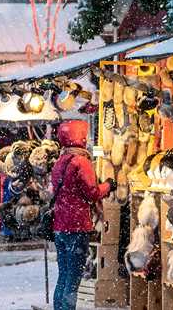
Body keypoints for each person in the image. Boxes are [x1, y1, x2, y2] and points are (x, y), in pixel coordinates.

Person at [52, 120, 117, 310]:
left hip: (60, 227)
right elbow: (93, 193)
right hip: (76, 226)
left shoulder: (60, 162)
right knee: (73, 278)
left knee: (63, 275)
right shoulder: (81, 162)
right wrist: (108, 185)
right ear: (79, 137)